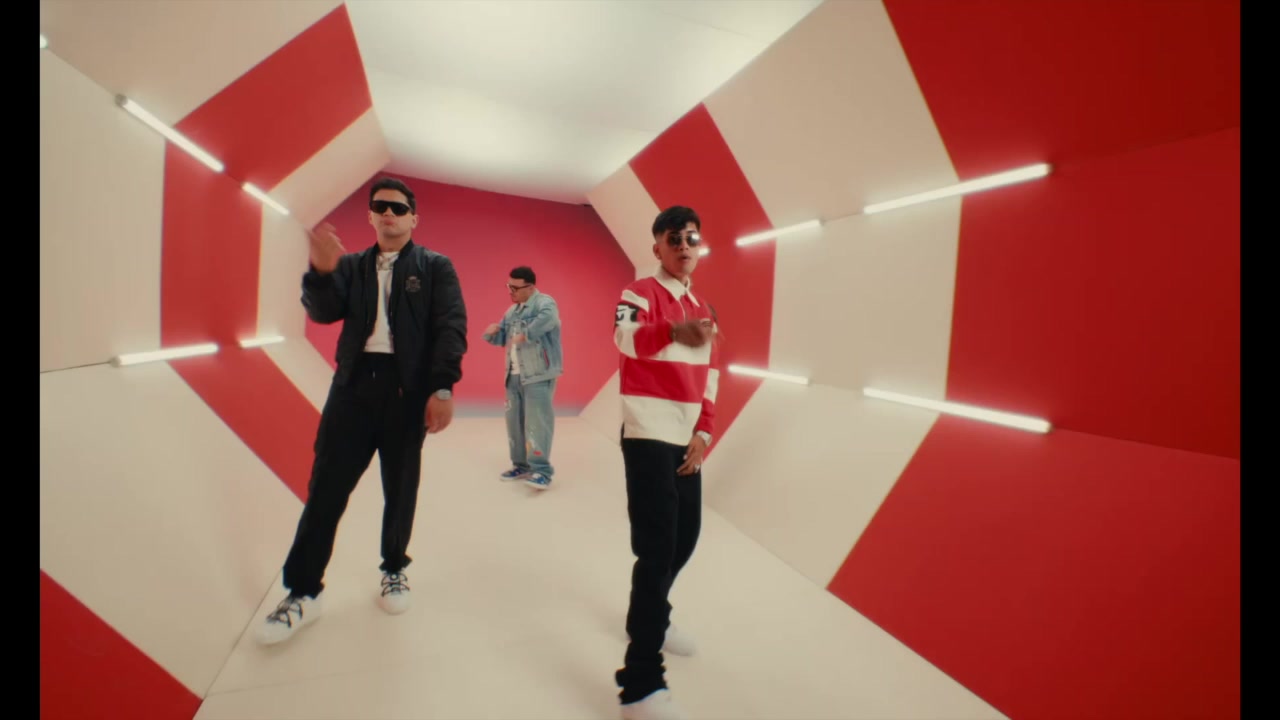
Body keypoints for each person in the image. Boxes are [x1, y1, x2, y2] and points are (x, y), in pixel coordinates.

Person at [256, 177, 468, 645]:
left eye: (398, 207)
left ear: (414, 218)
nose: (388, 213)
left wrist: (442, 386)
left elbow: (450, 325)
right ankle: (303, 592)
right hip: (352, 390)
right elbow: (323, 311)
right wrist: (320, 272)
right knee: (325, 490)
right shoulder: (351, 266)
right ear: (370, 216)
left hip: (407, 393)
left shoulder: (435, 267)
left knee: (401, 488)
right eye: (380, 206)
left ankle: (394, 568)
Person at [611, 206, 721, 720]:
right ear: (657, 247)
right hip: (648, 431)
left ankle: (651, 614)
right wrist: (675, 332)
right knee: (656, 549)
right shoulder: (638, 293)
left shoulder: (704, 307)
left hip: (686, 438)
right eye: (673, 238)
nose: (683, 246)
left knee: (685, 538)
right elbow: (626, 339)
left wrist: (704, 432)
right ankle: (640, 682)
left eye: (691, 238)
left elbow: (711, 375)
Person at [481, 266, 563, 490]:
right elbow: (503, 339)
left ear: (531, 287)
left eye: (515, 288)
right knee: (514, 424)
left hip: (538, 375)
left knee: (537, 423)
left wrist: (525, 334)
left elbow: (548, 320)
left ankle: (542, 471)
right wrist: (491, 332)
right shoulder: (512, 311)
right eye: (509, 287)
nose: (511, 292)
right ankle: (520, 465)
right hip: (513, 376)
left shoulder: (545, 303)